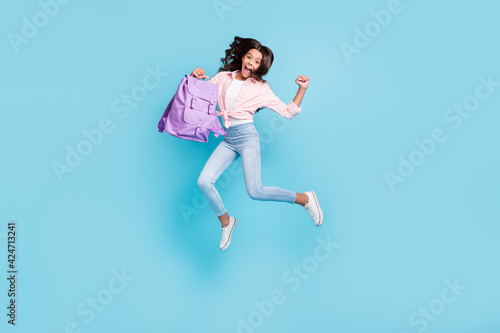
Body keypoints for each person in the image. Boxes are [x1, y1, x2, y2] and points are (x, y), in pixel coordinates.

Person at [190, 36, 323, 250]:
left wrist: (302, 89)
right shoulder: (224, 77)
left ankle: (304, 198)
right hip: (228, 138)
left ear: (261, 67)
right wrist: (195, 77)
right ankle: (227, 222)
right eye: (249, 57)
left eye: (256, 61)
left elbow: (288, 112)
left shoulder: (261, 88)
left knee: (255, 191)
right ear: (242, 57)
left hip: (246, 136)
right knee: (203, 182)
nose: (250, 63)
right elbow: (199, 96)